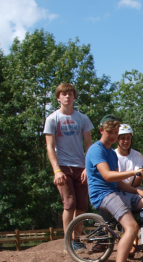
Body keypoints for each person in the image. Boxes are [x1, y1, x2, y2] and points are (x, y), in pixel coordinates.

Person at [85, 115, 143, 262]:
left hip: (115, 190)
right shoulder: (96, 150)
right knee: (132, 227)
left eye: (116, 132)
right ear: (101, 131)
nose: (113, 136)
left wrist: (138, 191)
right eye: (110, 132)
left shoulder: (111, 153)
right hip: (102, 194)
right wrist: (134, 173)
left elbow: (117, 182)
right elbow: (107, 176)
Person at [44, 82, 93, 246]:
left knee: (81, 205)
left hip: (81, 166)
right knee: (69, 203)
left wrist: (88, 166)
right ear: (58, 98)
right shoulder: (52, 119)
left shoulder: (82, 118)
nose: (67, 96)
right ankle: (68, 242)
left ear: (74, 97)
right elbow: (50, 148)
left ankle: (76, 240)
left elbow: (89, 145)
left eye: (70, 94)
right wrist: (56, 170)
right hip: (63, 166)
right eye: (64, 94)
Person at [115, 124, 143, 262]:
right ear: (117, 139)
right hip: (117, 192)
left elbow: (138, 177)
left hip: (134, 190)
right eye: (122, 138)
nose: (125, 141)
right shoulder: (112, 155)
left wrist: (127, 187)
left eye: (128, 138)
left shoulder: (137, 155)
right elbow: (113, 180)